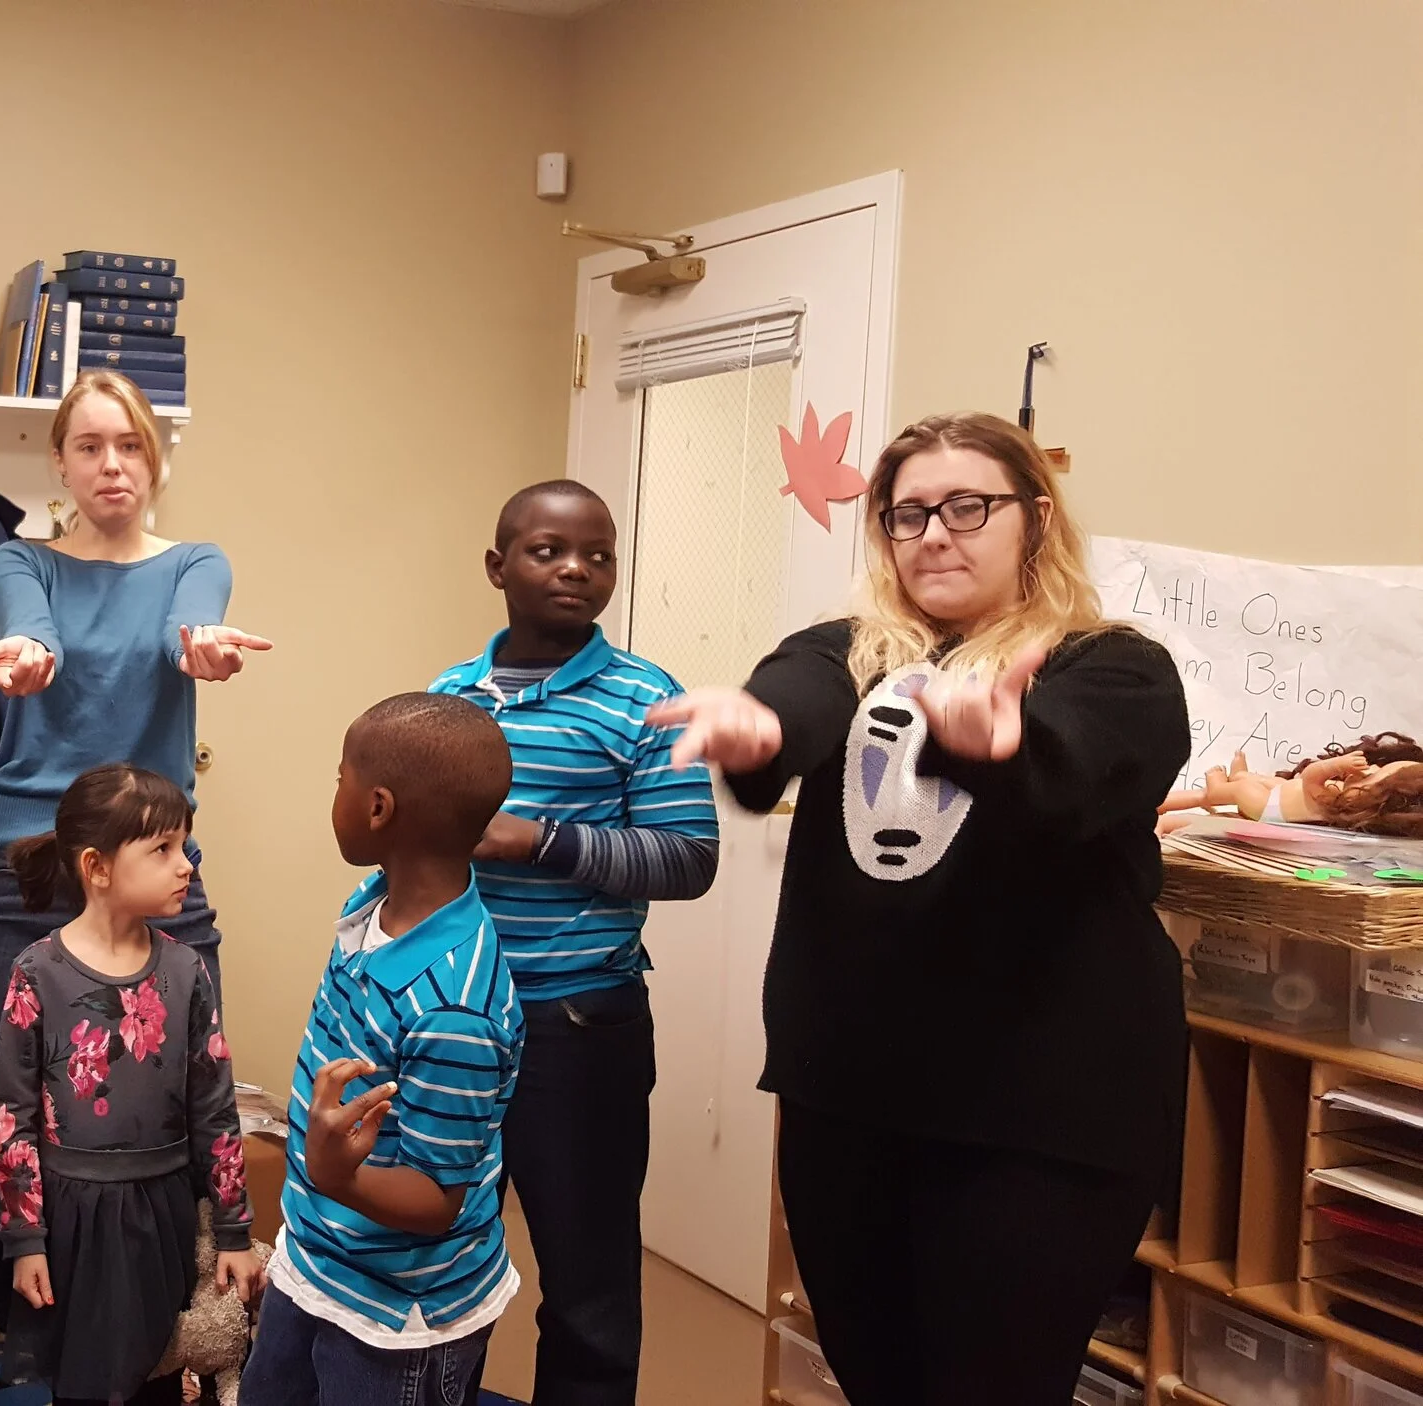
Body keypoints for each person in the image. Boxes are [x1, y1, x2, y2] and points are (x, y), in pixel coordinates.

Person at [652, 412, 1189, 1406]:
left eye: (966, 506)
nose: (934, 532)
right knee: (879, 1377)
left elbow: (1075, 765)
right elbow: (799, 693)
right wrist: (760, 723)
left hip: (1042, 1117)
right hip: (852, 1102)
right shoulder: (847, 651)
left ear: (1033, 518)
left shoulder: (1112, 668)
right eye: (907, 515)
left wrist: (1005, 744)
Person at [0, 369, 270, 1334]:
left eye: (128, 444)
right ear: (60, 462)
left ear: (155, 456)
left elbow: (193, 628)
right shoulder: (22, 562)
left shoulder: (192, 562)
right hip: (27, 865)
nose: (111, 465)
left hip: (150, 865)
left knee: (167, 1097)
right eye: (89, 447)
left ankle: (148, 1329)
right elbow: (32, 629)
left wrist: (204, 651)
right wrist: (30, 659)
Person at [403, 479, 717, 1405]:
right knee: (436, 1262)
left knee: (586, 1286)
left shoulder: (645, 699)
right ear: (499, 566)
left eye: (598, 555)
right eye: (548, 551)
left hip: (576, 1025)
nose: (577, 569)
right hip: (450, 1020)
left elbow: (687, 858)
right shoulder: (448, 696)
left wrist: (536, 838)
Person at [242, 693, 525, 1406]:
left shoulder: (455, 1008)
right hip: (316, 1260)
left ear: (377, 809)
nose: (331, 792)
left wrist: (338, 1177)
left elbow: (438, 1198)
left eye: (339, 778)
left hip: (397, 1315)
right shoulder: (372, 903)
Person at [0, 763, 261, 1406]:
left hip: (160, 1214)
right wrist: (24, 1239)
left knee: (162, 1380)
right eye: (162, 849)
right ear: (97, 866)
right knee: (81, 1387)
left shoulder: (186, 969)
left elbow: (215, 1108)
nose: (184, 865)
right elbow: (9, 1113)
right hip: (69, 1222)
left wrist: (232, 1231)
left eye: (184, 846)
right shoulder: (37, 973)